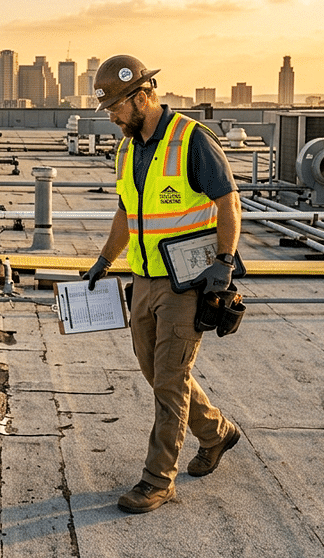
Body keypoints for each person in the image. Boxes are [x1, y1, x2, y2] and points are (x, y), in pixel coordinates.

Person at [82, 55, 242, 514]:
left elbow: (228, 202)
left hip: (187, 282)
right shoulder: (128, 149)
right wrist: (103, 260)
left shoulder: (191, 140)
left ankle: (158, 480)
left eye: (116, 106)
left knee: (170, 379)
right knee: (157, 374)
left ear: (142, 96)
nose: (111, 117)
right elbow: (125, 212)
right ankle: (217, 433)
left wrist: (225, 262)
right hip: (144, 279)